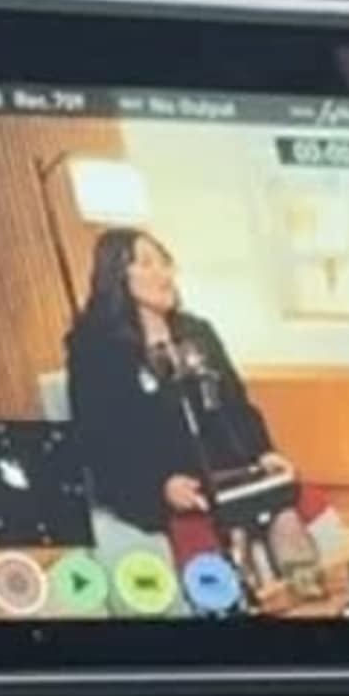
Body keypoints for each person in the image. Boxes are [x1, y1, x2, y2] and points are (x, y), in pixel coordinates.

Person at [59, 219, 317, 584]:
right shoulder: (96, 349)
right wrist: (160, 485)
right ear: (117, 275)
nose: (163, 272)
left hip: (225, 467)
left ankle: (308, 601)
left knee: (285, 510)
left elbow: (235, 404)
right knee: (208, 539)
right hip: (159, 481)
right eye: (147, 263)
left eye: (164, 262)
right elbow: (99, 440)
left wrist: (264, 452)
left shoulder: (198, 332)